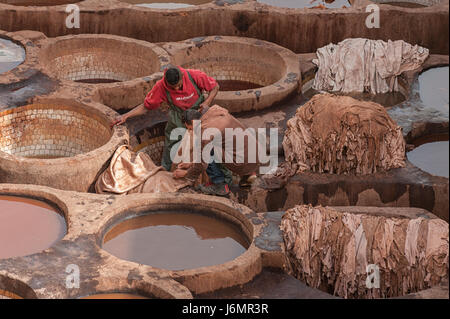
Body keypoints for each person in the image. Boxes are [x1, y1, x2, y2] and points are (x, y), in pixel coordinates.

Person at [111, 66, 220, 171]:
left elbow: (215, 87)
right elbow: (146, 106)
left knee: (204, 145)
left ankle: (214, 178)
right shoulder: (161, 86)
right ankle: (167, 171)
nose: (176, 89)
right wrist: (125, 116)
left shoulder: (194, 75)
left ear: (182, 76)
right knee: (172, 145)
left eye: (179, 85)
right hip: (178, 117)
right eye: (172, 88)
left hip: (198, 114)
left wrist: (207, 102)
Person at [173, 106, 259, 196]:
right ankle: (249, 175)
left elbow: (202, 162)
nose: (191, 131)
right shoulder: (215, 113)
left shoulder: (206, 131)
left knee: (209, 149)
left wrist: (186, 173)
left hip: (243, 161)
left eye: (190, 129)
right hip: (255, 153)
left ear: (194, 122)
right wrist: (191, 163)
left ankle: (220, 185)